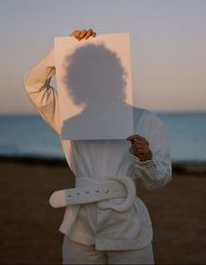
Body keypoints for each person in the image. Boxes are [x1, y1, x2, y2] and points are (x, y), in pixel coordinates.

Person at [23, 28, 172, 264]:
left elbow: (159, 181)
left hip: (128, 231)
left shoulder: (146, 120)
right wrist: (62, 52)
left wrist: (146, 159)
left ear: (122, 76)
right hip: (80, 228)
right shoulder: (69, 115)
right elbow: (34, 85)